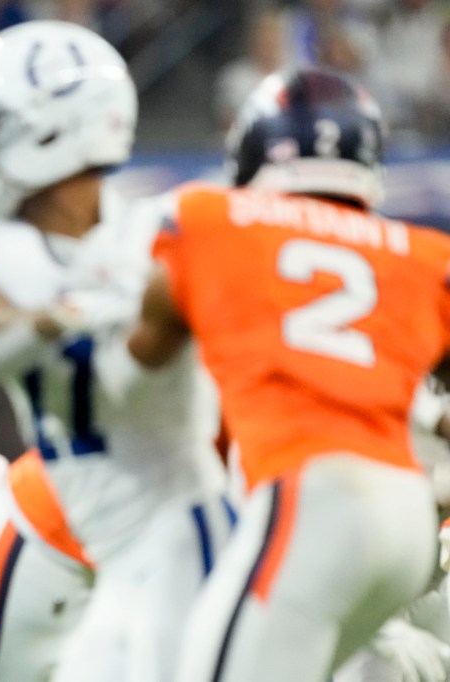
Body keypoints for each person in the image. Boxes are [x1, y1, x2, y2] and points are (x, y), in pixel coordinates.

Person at [0, 21, 232, 681]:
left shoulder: (161, 237)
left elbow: (142, 381)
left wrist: (151, 311)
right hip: (95, 533)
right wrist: (68, 316)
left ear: (61, 127)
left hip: (174, 531)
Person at [126, 67, 450, 681]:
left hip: (311, 494)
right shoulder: (426, 256)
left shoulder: (212, 218)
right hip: (408, 520)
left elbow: (137, 350)